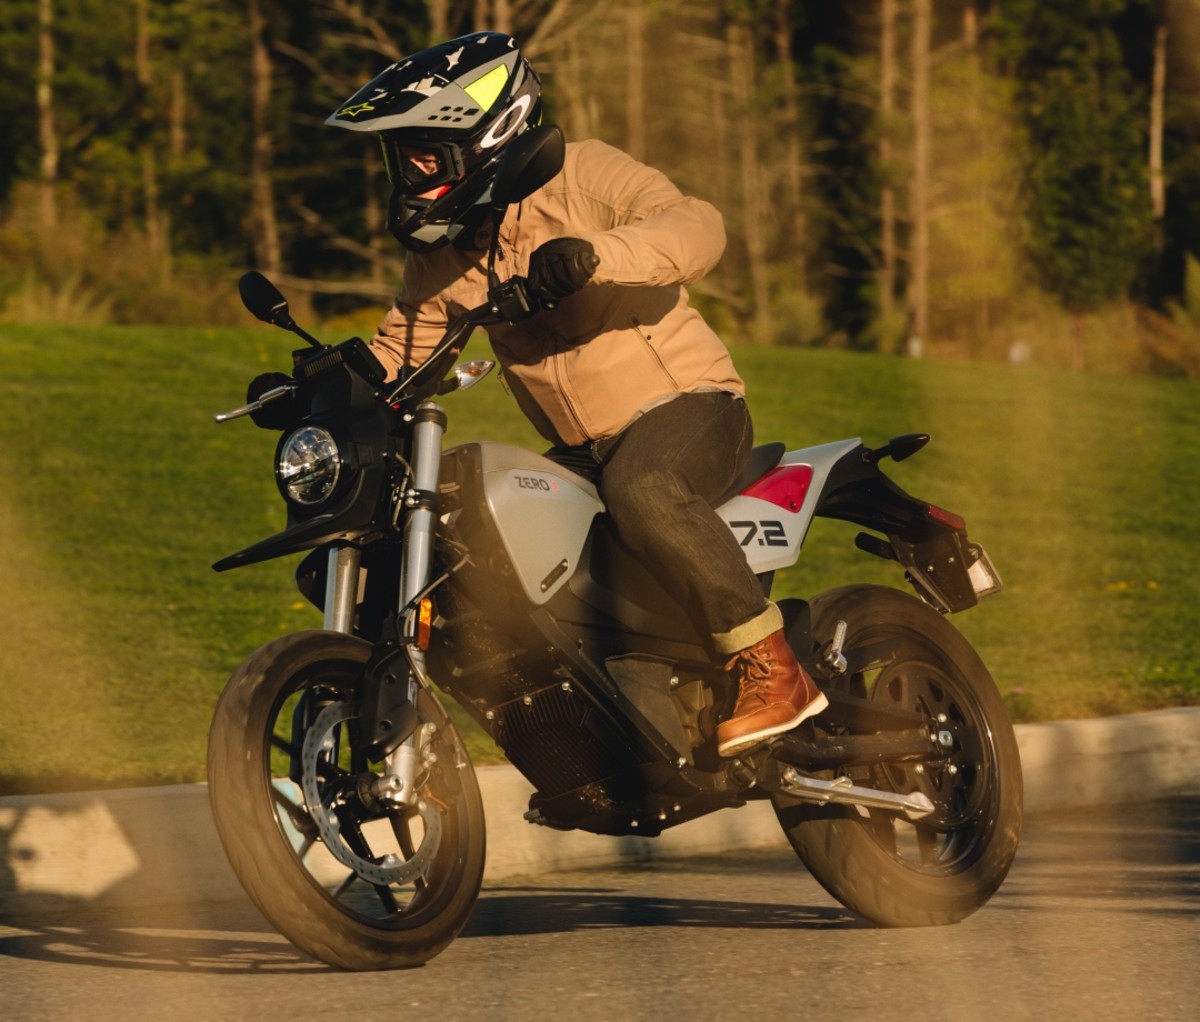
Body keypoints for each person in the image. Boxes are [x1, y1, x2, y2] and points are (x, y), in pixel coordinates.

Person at [326, 31, 826, 757]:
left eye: (422, 153)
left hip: (688, 408)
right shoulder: (447, 250)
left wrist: (596, 257)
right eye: (402, 156)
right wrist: (325, 387)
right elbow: (406, 343)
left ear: (481, 131)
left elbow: (698, 225)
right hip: (580, 451)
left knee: (645, 485)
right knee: (479, 531)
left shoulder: (585, 176)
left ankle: (770, 665)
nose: (408, 171)